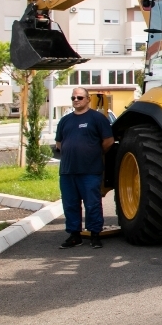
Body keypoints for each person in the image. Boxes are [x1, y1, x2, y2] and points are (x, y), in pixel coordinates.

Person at [55, 88, 113, 249]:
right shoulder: (65, 121)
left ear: (87, 99)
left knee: (92, 204)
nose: (76, 100)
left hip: (89, 170)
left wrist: (93, 152)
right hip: (67, 171)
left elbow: (108, 141)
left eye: (79, 97)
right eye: (73, 97)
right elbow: (59, 143)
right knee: (70, 204)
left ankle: (95, 235)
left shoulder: (97, 118)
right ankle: (74, 236)